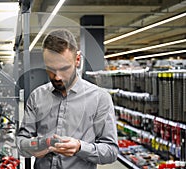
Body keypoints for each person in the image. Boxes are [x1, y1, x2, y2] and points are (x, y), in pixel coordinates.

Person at [16, 29, 118, 169]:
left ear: (77, 60)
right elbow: (21, 143)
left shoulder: (100, 99)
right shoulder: (37, 97)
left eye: (64, 68)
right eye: (51, 69)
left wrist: (80, 148)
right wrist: (40, 144)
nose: (57, 77)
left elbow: (111, 151)